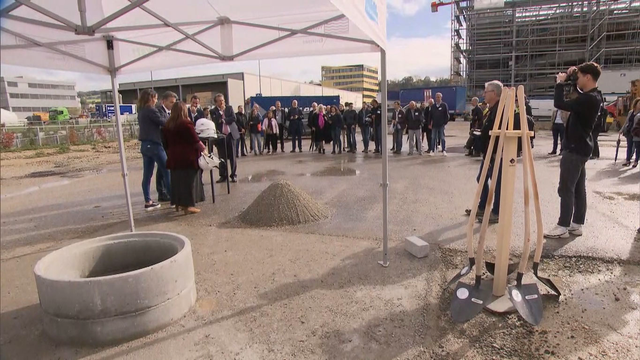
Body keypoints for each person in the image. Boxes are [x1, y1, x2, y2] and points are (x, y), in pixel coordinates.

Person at [545, 62, 603, 239]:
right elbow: (578, 96)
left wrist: (560, 83)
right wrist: (572, 77)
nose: (576, 80)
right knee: (578, 188)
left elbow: (559, 102)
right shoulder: (594, 96)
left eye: (579, 77)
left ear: (587, 77)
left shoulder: (588, 99)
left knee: (566, 188)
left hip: (574, 148)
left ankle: (562, 226)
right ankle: (576, 224)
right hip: (582, 147)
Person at [465, 81, 504, 224]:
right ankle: (482, 206)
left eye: (486, 92)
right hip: (488, 151)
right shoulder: (491, 109)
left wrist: (482, 135)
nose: (484, 94)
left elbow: (497, 131)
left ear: (494, 93)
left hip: (496, 153)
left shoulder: (501, 110)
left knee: (497, 183)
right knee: (481, 178)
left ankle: (496, 212)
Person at [162, 101, 206, 215]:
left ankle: (177, 203)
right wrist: (204, 150)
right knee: (189, 182)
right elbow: (195, 140)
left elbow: (165, 143)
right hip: (188, 158)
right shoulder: (186, 124)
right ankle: (188, 206)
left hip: (174, 158)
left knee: (176, 181)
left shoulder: (167, 125)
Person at [137, 89, 170, 211]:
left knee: (147, 174)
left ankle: (148, 201)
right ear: (151, 98)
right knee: (167, 170)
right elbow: (164, 122)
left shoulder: (141, 111)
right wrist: (166, 116)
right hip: (154, 144)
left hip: (145, 145)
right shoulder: (151, 110)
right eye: (155, 98)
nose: (156, 100)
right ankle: (173, 198)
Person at [210, 93, 239, 183]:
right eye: (220, 101)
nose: (222, 102)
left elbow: (233, 118)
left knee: (232, 156)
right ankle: (223, 175)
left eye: (223, 100)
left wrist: (223, 120)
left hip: (231, 135)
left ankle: (233, 175)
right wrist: (221, 112)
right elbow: (215, 121)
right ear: (216, 102)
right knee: (222, 157)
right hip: (221, 136)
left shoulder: (229, 108)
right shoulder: (213, 111)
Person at [155, 91, 177, 202]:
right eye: (171, 102)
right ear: (164, 101)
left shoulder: (170, 113)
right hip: (161, 143)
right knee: (162, 168)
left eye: (174, 102)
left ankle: (165, 190)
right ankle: (161, 192)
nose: (173, 105)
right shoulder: (159, 111)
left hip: (169, 143)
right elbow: (163, 125)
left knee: (166, 167)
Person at [621, 98, 640, 167]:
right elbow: (626, 122)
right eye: (639, 103)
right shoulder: (631, 112)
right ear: (636, 104)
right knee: (629, 146)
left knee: (637, 147)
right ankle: (627, 160)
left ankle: (636, 161)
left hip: (637, 133)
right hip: (629, 131)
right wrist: (622, 130)